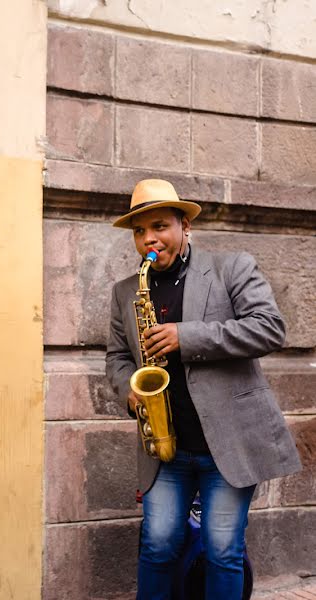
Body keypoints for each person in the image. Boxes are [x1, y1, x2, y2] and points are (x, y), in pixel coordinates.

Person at [105, 179, 301, 600]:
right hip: (165, 449)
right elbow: (118, 357)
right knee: (156, 546)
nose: (149, 240)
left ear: (184, 225)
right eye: (139, 231)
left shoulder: (232, 268)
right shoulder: (126, 291)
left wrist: (186, 336)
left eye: (159, 226)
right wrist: (129, 390)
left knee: (222, 551)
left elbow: (270, 329)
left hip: (228, 444)